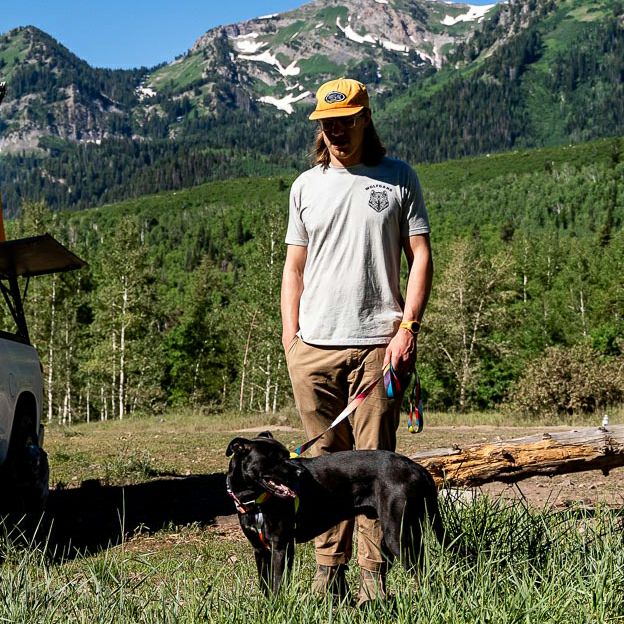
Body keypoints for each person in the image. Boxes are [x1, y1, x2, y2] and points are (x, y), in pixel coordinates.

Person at [280, 77, 433, 606]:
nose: (337, 131)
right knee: (321, 468)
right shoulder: (305, 186)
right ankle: (329, 574)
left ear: (365, 117)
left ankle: (374, 580)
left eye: (346, 121)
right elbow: (294, 267)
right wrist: (291, 339)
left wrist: (408, 328)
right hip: (313, 350)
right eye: (329, 124)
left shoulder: (398, 177)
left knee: (375, 467)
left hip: (378, 349)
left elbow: (420, 257)